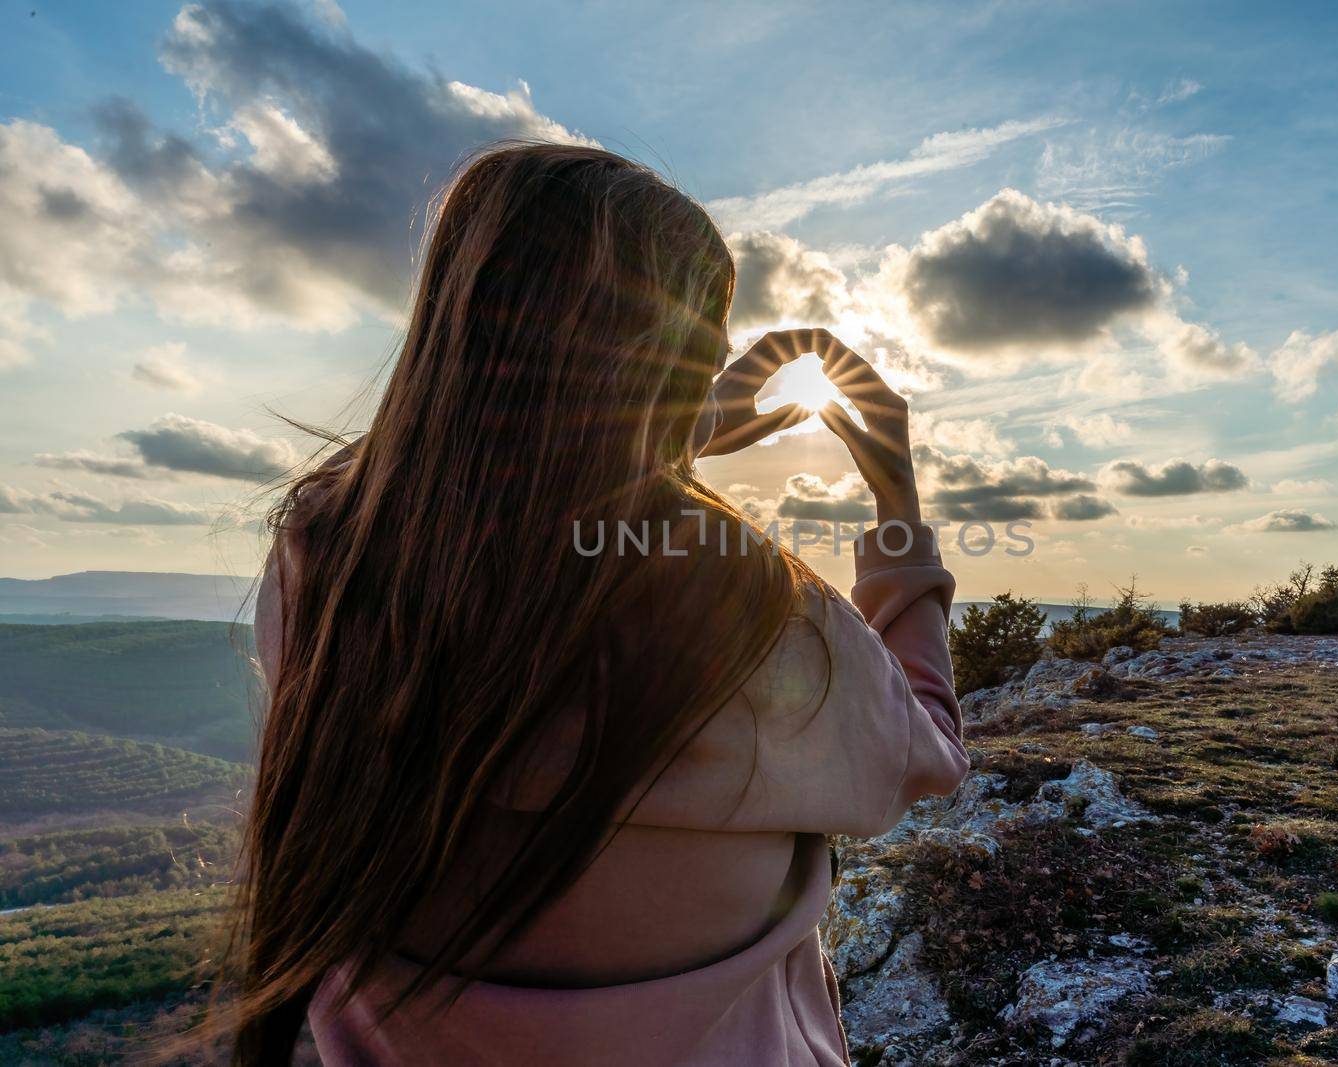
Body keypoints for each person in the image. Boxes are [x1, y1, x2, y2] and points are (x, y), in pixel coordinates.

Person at [236, 142, 968, 1066]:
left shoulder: (326, 561)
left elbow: (514, 503)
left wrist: (676, 431)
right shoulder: (749, 615)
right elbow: (928, 750)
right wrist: (898, 509)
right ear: (685, 358)